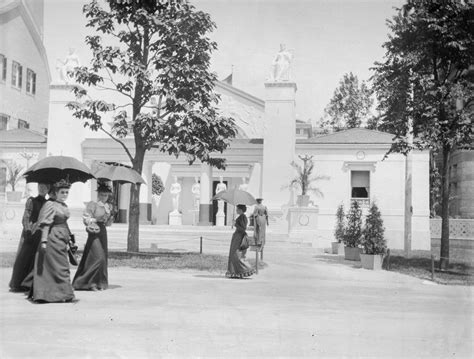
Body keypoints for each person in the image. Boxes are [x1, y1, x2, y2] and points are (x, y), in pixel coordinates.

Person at [28, 179, 75, 303]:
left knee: (62, 266)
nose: (65, 195)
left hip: (62, 238)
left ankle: (64, 294)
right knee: (54, 267)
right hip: (52, 239)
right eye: (62, 192)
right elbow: (46, 224)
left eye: (66, 192)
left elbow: (65, 223)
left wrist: (70, 238)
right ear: (55, 193)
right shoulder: (50, 204)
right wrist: (43, 241)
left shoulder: (64, 206)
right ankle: (48, 295)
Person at [73, 183, 113, 291]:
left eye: (106, 195)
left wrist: (110, 218)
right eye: (102, 195)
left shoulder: (108, 207)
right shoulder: (93, 205)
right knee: (97, 257)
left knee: (103, 258)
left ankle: (99, 283)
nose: (104, 197)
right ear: (98, 194)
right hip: (94, 231)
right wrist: (96, 220)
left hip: (103, 232)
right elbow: (86, 219)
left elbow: (108, 224)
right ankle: (88, 283)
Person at [9, 183, 50, 292]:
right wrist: (28, 229)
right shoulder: (31, 200)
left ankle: (30, 284)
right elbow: (26, 216)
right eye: (40, 187)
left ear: (48, 189)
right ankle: (18, 283)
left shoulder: (48, 203)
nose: (42, 189)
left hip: (40, 233)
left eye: (44, 187)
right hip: (30, 231)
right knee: (24, 257)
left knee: (36, 259)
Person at [226, 204, 255, 279]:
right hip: (237, 236)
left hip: (239, 237)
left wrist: (235, 224)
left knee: (236, 255)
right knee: (233, 255)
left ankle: (246, 270)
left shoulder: (243, 217)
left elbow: (243, 228)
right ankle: (235, 272)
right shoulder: (241, 216)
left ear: (241, 210)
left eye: (237, 209)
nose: (236, 210)